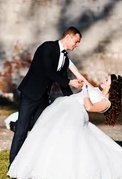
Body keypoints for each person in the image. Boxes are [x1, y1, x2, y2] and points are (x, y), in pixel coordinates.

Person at [8, 74, 122, 179]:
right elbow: (80, 76)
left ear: (111, 86)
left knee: (66, 144)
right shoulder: (95, 89)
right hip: (64, 108)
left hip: (74, 115)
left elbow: (89, 107)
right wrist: (67, 62)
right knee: (49, 138)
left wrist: (86, 93)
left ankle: (54, 173)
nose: (103, 80)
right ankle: (39, 168)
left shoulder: (106, 102)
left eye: (107, 80)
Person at [9, 27, 84, 164]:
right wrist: (70, 82)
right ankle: (14, 164)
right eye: (76, 41)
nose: (77, 45)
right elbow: (48, 71)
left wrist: (73, 99)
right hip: (30, 94)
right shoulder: (47, 47)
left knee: (40, 130)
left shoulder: (65, 58)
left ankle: (32, 162)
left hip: (44, 97)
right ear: (68, 37)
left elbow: (63, 82)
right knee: (22, 128)